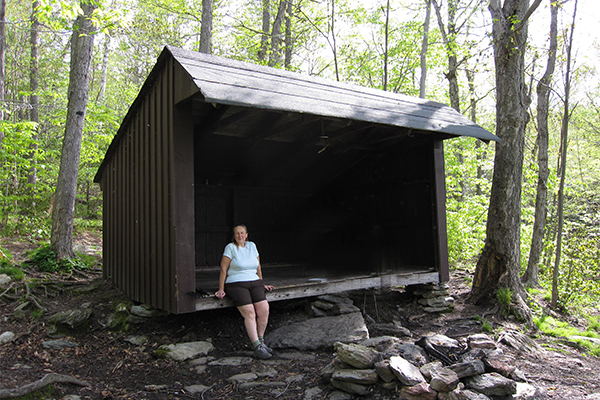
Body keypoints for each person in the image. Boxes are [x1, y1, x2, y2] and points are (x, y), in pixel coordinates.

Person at [215, 224, 275, 359]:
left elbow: (258, 266)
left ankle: (261, 341)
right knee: (249, 312)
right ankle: (256, 346)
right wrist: (221, 289)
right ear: (234, 236)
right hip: (236, 283)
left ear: (246, 235)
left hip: (255, 282)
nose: (240, 236)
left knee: (264, 309)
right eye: (237, 233)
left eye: (242, 233)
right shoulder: (230, 248)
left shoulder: (252, 246)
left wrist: (261, 282)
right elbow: (223, 269)